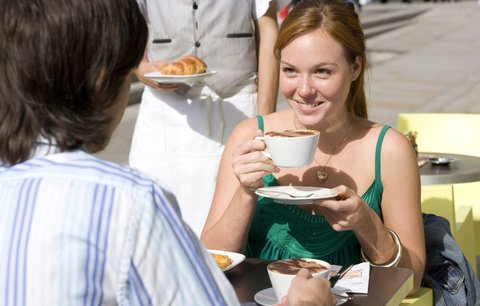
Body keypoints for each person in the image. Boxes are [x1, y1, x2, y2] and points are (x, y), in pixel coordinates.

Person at [0, 0, 334, 304]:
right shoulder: (132, 200)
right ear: (106, 79)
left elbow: (265, 21)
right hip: (170, 121)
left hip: (235, 103)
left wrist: (262, 114)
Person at [202, 0, 426, 292]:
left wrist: (366, 225)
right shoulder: (251, 136)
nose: (304, 90)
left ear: (355, 67)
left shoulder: (388, 150)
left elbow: (412, 278)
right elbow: (209, 260)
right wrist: (245, 192)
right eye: (291, 70)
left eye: (322, 72)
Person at [129, 0, 280, 236]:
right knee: (157, 216)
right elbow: (128, 23)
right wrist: (141, 68)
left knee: (240, 212)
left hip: (237, 102)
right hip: (166, 110)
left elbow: (267, 26)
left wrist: (264, 116)